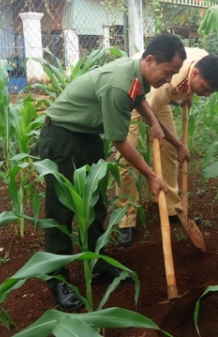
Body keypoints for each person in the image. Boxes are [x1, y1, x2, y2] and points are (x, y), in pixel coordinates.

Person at [39, 33, 189, 311]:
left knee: (96, 203)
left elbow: (139, 98)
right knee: (61, 212)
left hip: (87, 137)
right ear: (150, 60)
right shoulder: (119, 84)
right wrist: (151, 176)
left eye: (173, 75)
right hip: (62, 136)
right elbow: (120, 141)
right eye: (168, 73)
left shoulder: (136, 76)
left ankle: (96, 263)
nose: (169, 80)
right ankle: (57, 280)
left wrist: (155, 124)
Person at [115, 48, 218, 247]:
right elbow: (149, 114)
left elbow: (194, 81)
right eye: (205, 88)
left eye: (211, 92)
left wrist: (192, 92)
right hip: (134, 96)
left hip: (163, 98)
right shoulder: (169, 83)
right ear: (195, 74)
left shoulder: (205, 62)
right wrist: (178, 144)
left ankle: (171, 208)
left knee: (169, 151)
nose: (207, 94)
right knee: (127, 155)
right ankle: (126, 219)